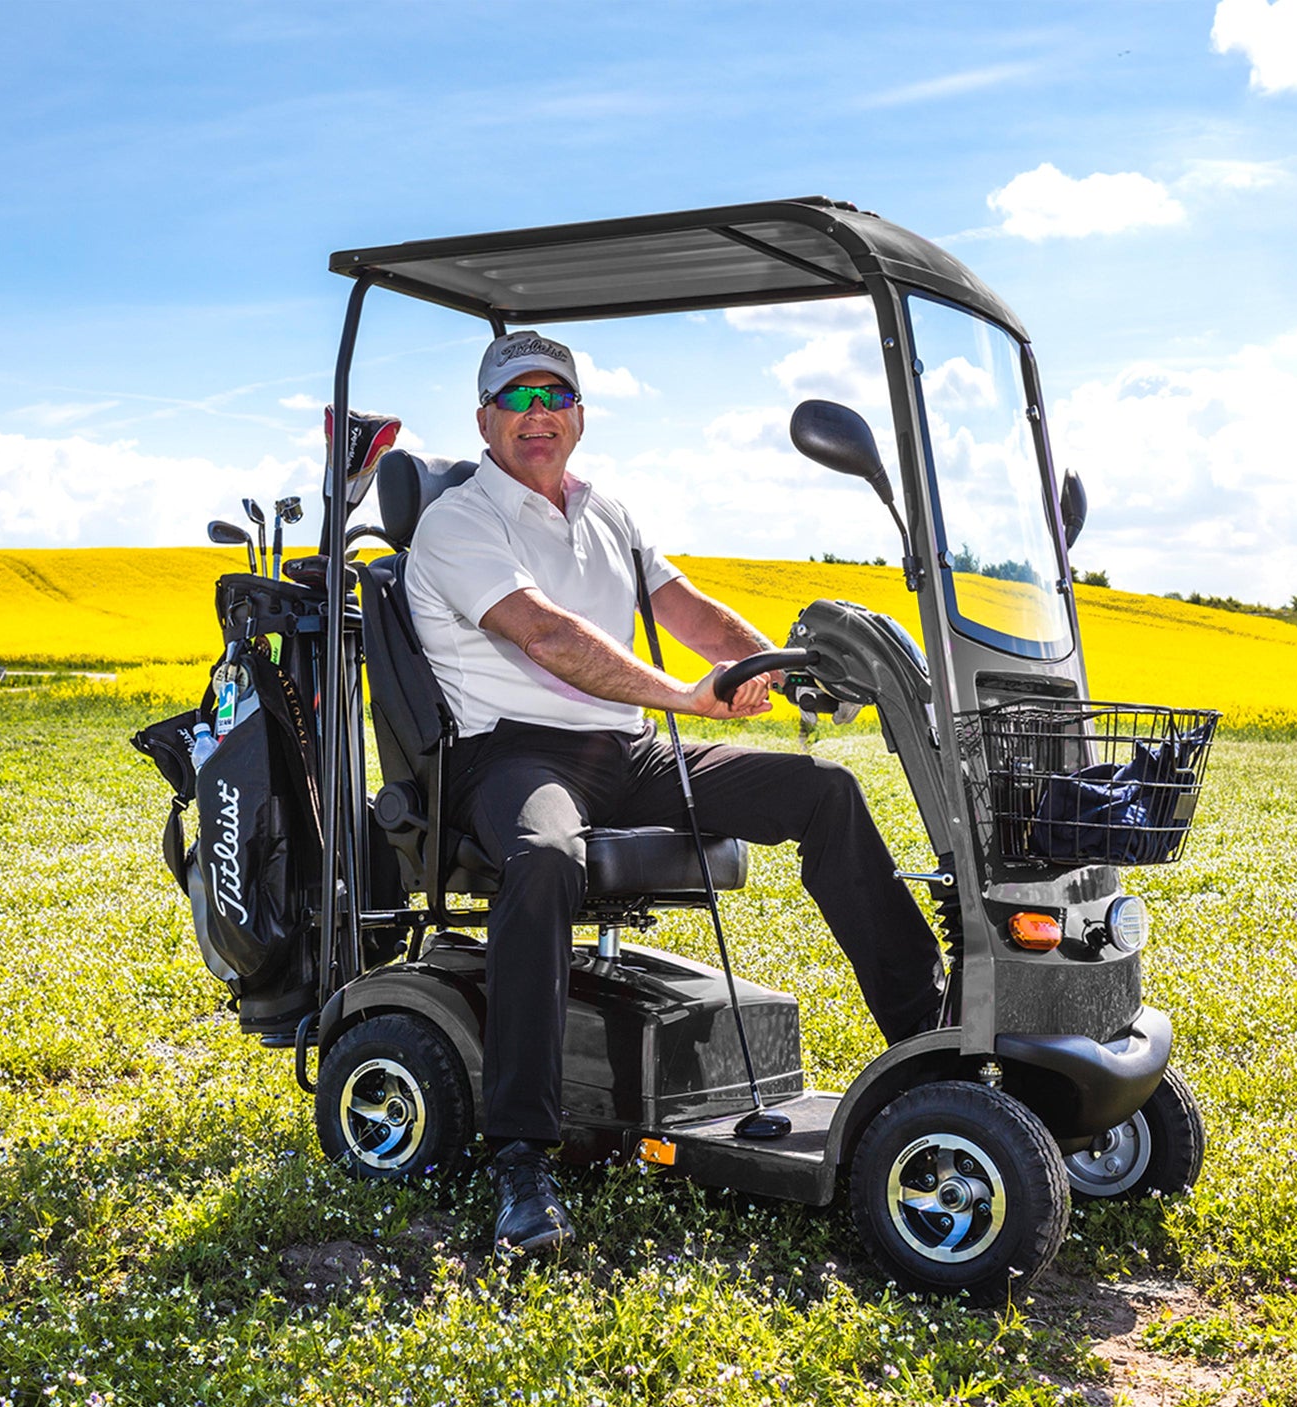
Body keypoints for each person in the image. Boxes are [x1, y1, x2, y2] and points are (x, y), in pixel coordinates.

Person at [405, 331, 945, 1253]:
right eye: (517, 401)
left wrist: (777, 667)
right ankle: (523, 1161)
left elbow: (686, 612)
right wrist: (680, 697)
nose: (538, 416)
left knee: (823, 792)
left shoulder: (606, 511)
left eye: (555, 399)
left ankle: (931, 1050)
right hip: (512, 758)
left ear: (579, 415)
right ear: (485, 420)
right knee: (542, 860)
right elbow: (546, 634)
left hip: (624, 751)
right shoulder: (460, 521)